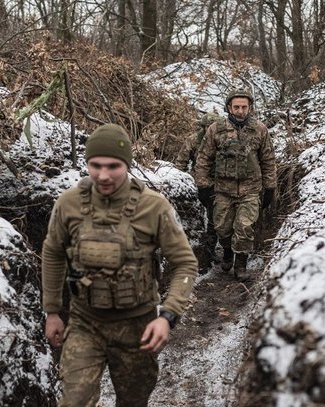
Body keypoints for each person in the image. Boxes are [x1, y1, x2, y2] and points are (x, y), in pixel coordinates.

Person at [42, 123, 198, 407]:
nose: (103, 175)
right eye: (95, 165)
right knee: (73, 401)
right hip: (85, 323)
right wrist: (52, 310)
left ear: (126, 164)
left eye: (113, 166)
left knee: (133, 400)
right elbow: (53, 252)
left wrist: (168, 315)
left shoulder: (154, 207)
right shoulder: (69, 203)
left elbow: (185, 264)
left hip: (137, 325)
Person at [193, 88, 276, 281]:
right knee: (223, 228)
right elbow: (204, 158)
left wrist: (270, 188)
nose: (240, 111)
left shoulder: (260, 129)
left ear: (250, 108)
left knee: (244, 227)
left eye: (244, 107)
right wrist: (203, 186)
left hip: (250, 189)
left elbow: (268, 160)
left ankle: (241, 265)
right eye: (236, 107)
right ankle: (228, 251)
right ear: (229, 107)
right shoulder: (216, 129)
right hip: (223, 190)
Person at [174, 112, 225, 270]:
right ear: (202, 127)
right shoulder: (193, 140)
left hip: (218, 185)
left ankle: (210, 250)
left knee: (214, 218)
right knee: (198, 218)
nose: (210, 130)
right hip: (198, 183)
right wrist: (181, 181)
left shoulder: (223, 140)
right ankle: (201, 250)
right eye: (207, 127)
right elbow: (181, 162)